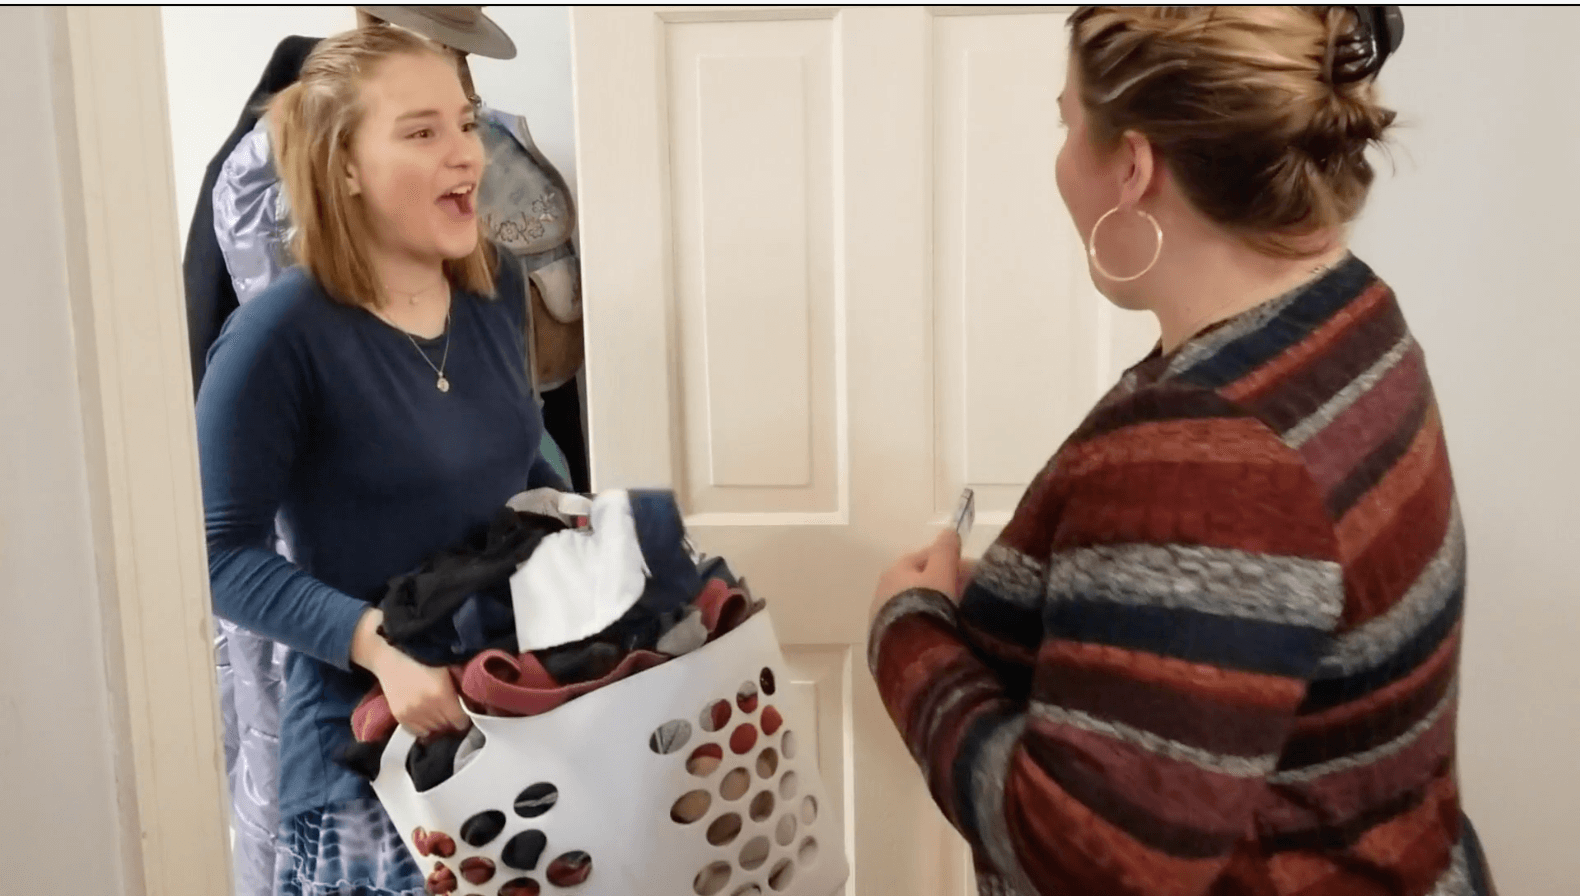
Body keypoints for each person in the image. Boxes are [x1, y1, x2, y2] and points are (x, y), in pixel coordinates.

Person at [867, 7, 1496, 896]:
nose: (1059, 159)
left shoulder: (1207, 457)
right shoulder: (1353, 315)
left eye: (1066, 122)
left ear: (1132, 167)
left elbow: (1086, 857)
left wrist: (910, 629)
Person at [196, 25, 565, 896]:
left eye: (466, 124)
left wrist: (590, 529)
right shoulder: (277, 337)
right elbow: (217, 554)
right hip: (372, 753)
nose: (466, 155)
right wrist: (384, 652)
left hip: (509, 713)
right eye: (421, 131)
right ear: (346, 165)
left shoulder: (493, 287)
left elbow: (512, 473)